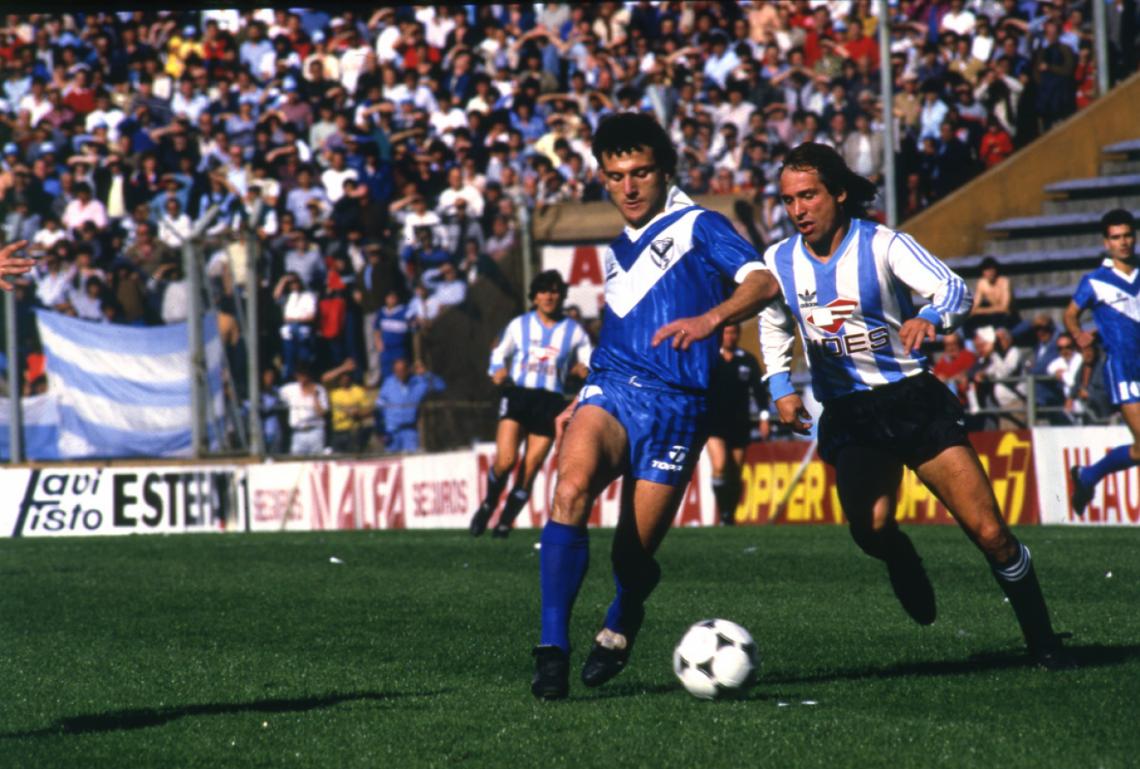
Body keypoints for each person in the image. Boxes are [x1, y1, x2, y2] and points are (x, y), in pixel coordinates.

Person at [758, 142, 1069, 670]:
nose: (798, 210)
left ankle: (1043, 641)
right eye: (788, 201)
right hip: (852, 413)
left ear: (838, 193)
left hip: (909, 401)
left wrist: (932, 317)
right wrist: (780, 386)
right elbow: (773, 321)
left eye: (808, 196)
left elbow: (951, 287)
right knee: (870, 528)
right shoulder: (778, 261)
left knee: (990, 532)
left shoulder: (883, 243)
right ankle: (901, 557)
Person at [530, 112, 780, 700]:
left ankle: (624, 613)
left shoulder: (700, 225)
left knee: (632, 556)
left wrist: (711, 318)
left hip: (677, 407)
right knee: (570, 491)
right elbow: (622, 332)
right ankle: (552, 650)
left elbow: (763, 282)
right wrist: (581, 394)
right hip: (611, 390)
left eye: (641, 172)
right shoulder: (618, 247)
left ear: (664, 171)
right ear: (603, 178)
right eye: (616, 176)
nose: (629, 186)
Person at [469, 269, 592, 540]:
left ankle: (504, 523)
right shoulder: (519, 325)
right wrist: (498, 371)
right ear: (534, 297)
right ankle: (489, 503)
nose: (549, 296)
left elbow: (589, 361)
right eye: (543, 291)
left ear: (561, 296)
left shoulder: (574, 332)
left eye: (554, 291)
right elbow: (498, 353)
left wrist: (585, 370)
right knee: (506, 460)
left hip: (550, 402)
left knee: (531, 466)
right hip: (518, 396)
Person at [1065, 209, 1140, 514]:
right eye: (1116, 237)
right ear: (1106, 242)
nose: (1123, 242)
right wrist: (1078, 335)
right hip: (1123, 368)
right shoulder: (1095, 281)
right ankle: (1089, 475)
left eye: (1127, 235)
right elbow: (1070, 314)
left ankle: (1088, 474)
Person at [707, 322, 769, 526]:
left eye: (734, 332)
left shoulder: (747, 360)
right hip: (714, 422)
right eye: (727, 333)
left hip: (739, 422)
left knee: (735, 472)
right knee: (720, 465)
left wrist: (764, 417)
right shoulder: (710, 358)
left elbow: (759, 391)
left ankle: (729, 515)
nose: (731, 337)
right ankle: (722, 510)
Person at [376, 358, 445, 453]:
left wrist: (426, 373)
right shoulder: (388, 384)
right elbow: (379, 408)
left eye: (402, 370)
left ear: (408, 369)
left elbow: (441, 386)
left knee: (411, 460)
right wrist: (380, 430)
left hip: (410, 431)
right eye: (397, 371)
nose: (399, 373)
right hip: (391, 432)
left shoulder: (419, 383)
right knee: (392, 460)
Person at [278, 362, 329, 455]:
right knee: (296, 462)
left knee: (316, 461)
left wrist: (314, 396)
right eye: (299, 375)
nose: (302, 378)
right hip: (298, 433)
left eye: (304, 375)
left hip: (315, 432)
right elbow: (276, 394)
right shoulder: (290, 389)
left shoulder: (319, 390)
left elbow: (322, 413)